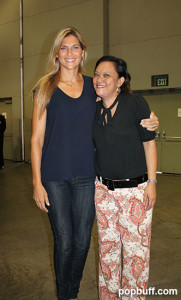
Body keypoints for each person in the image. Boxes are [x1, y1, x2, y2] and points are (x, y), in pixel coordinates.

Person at [31, 27, 158, 300]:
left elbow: (123, 101)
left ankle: (73, 290)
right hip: (54, 178)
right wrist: (36, 183)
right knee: (64, 242)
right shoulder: (45, 88)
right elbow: (36, 139)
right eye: (63, 47)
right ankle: (66, 295)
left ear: (83, 51)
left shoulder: (94, 86)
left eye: (75, 47)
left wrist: (151, 118)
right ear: (56, 52)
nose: (69, 53)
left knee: (81, 243)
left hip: (88, 177)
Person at [93, 56, 157, 300]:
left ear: (120, 80)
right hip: (103, 191)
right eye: (97, 74)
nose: (100, 79)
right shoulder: (95, 107)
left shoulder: (134, 102)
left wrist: (152, 183)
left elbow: (149, 144)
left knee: (135, 255)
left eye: (107, 75)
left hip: (135, 191)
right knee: (107, 254)